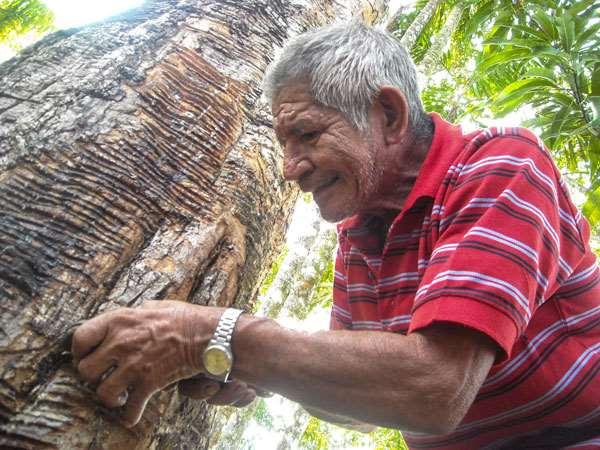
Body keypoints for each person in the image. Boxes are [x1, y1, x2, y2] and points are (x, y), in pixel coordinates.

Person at [72, 23, 600, 449]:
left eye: (305, 134)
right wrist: (261, 372)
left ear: (388, 115)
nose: (288, 169)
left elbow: (436, 388)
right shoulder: (358, 239)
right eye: (283, 143)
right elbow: (367, 414)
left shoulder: (500, 165)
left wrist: (213, 338)